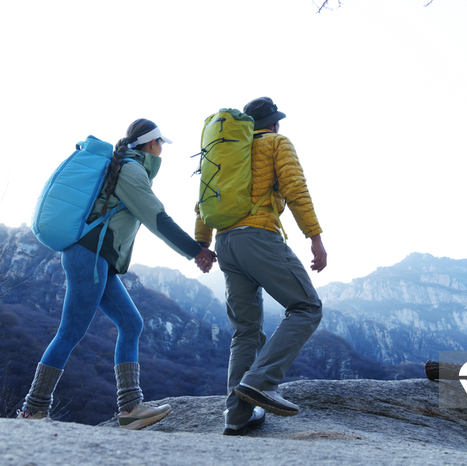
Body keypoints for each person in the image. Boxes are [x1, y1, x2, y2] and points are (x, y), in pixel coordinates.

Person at [19, 119, 216, 430]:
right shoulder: (132, 171)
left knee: (131, 323)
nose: (162, 149)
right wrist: (197, 252)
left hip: (97, 260)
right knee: (70, 332)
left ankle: (130, 407)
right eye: (161, 143)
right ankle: (33, 410)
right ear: (152, 144)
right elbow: (158, 219)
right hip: (89, 256)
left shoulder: (126, 167)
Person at [195, 97, 327, 436]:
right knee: (307, 308)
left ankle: (236, 416)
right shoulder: (276, 143)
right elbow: (296, 188)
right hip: (258, 236)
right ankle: (261, 381)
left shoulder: (225, 154)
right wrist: (314, 236)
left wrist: (202, 245)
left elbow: (204, 200)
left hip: (226, 243)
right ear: (274, 123)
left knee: (246, 330)